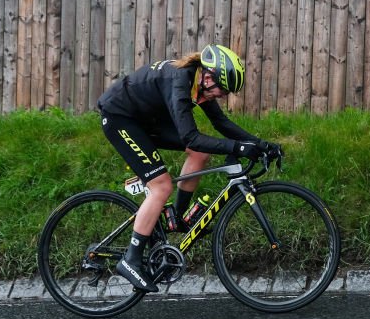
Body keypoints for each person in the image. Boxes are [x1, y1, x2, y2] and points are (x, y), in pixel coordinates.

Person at [98, 44, 281, 292]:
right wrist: (238, 148)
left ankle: (177, 218)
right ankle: (131, 259)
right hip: (121, 118)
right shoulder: (180, 81)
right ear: (208, 77)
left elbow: (221, 123)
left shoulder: (198, 81)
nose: (223, 95)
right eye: (222, 89)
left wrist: (261, 145)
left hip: (145, 119)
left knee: (200, 153)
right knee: (160, 186)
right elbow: (190, 137)